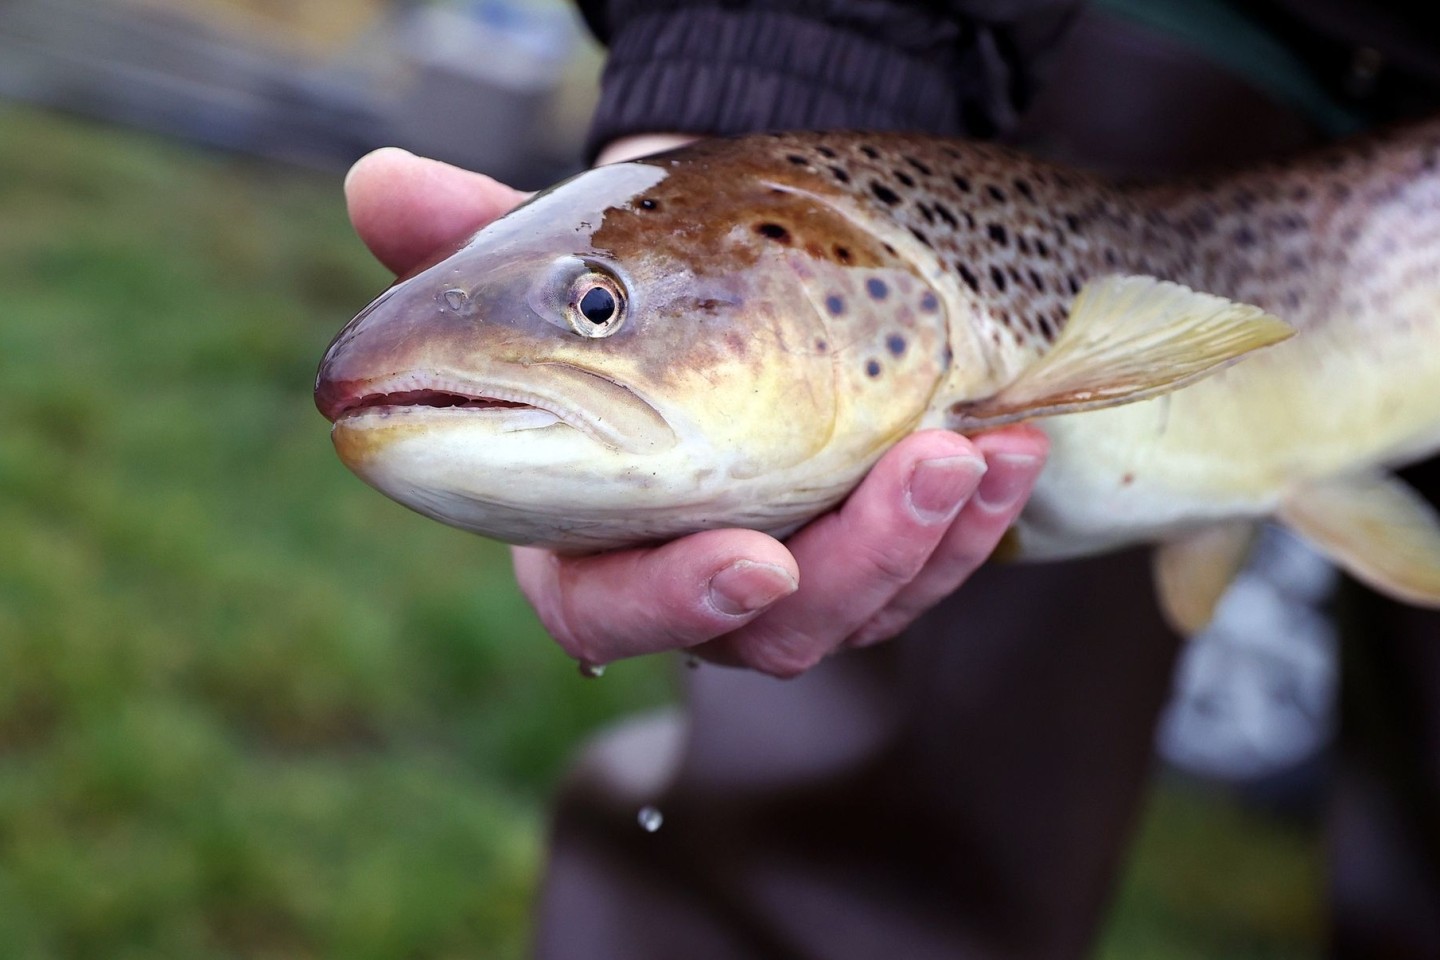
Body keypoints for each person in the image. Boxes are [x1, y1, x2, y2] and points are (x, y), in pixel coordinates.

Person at [343, 1, 1440, 956]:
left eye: (594, 309)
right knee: (829, 863)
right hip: (1096, 36)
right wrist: (763, 43)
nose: (593, 319)